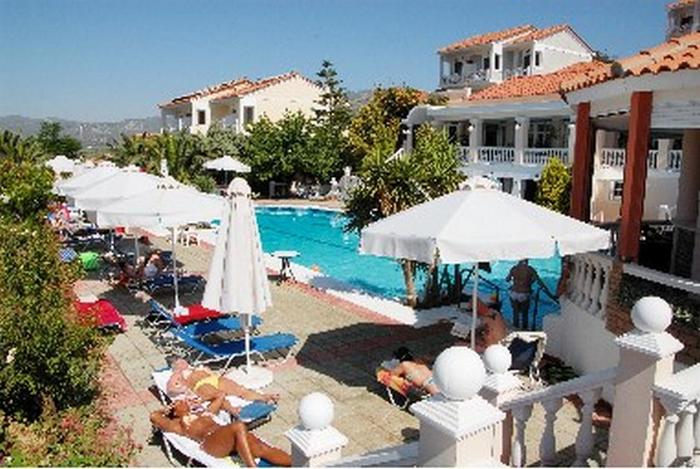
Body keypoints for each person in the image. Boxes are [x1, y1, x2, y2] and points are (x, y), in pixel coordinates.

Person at [150, 399, 291, 467]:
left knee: (261, 447)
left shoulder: (203, 412)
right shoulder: (178, 425)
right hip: (211, 444)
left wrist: (200, 401)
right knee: (238, 426)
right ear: (174, 412)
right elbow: (154, 416)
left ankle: (298, 463)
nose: (184, 401)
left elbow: (220, 396)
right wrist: (166, 409)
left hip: (228, 439)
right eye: (178, 402)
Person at [166, 359, 279, 415]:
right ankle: (232, 410)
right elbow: (170, 388)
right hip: (201, 385)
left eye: (183, 360)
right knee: (219, 395)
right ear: (175, 366)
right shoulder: (178, 374)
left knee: (240, 389)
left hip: (215, 379)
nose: (183, 362)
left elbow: (212, 373)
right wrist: (184, 389)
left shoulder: (195, 367)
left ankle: (264, 397)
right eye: (179, 362)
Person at [506, 259, 552, 330]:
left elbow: (507, 279)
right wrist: (548, 291)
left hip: (514, 293)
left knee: (515, 313)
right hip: (524, 294)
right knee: (525, 314)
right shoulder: (530, 269)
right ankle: (524, 329)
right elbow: (539, 281)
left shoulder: (514, 268)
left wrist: (515, 280)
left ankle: (515, 328)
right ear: (527, 261)